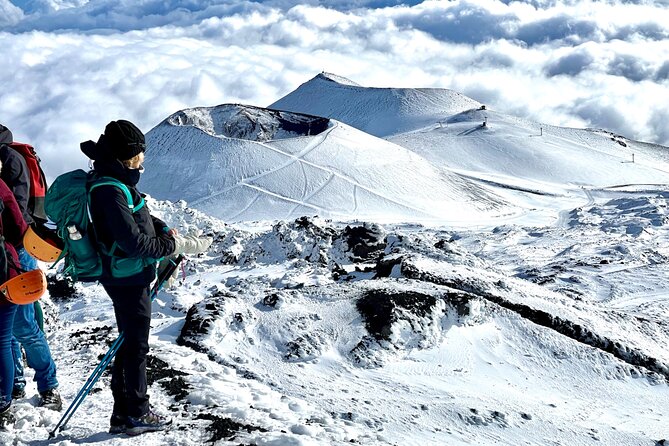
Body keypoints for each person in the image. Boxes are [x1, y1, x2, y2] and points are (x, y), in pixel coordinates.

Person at [83, 120, 210, 435]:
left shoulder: (116, 180)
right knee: (135, 346)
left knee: (130, 343)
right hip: (126, 278)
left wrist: (161, 227)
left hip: (128, 275)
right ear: (127, 155)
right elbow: (133, 242)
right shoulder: (109, 188)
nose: (143, 157)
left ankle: (123, 413)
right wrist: (170, 244)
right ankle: (136, 412)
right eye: (140, 152)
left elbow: (137, 216)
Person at [0, 124, 60, 410]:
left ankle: (49, 385)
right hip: (7, 250)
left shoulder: (11, 159)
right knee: (7, 325)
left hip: (18, 250)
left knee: (23, 324)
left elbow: (17, 211)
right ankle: (15, 383)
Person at [0, 161, 30, 429]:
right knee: (3, 341)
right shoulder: (1, 187)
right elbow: (20, 230)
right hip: (3, 273)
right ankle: (2, 403)